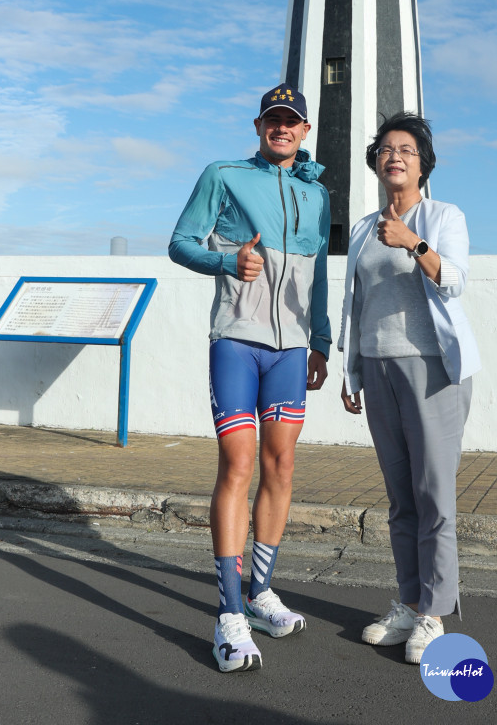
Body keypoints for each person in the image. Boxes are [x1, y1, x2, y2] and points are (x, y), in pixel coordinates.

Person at [169, 83, 330, 673]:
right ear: (259, 126)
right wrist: (225, 259)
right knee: (237, 466)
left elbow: (322, 277)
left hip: (291, 350)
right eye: (273, 120)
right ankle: (229, 612)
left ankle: (261, 593)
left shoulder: (317, 194)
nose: (282, 129)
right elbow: (180, 243)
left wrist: (322, 341)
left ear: (305, 131)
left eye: (292, 122)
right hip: (237, 342)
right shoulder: (224, 173)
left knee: (281, 466)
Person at [338, 111, 480, 664]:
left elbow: (457, 279)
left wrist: (414, 244)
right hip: (377, 368)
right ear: (375, 162)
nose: (394, 157)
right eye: (386, 150)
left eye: (406, 150)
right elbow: (358, 306)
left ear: (424, 165)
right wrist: (352, 373)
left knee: (433, 497)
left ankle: (433, 613)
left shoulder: (444, 216)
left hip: (431, 368)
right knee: (400, 500)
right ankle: (407, 600)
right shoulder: (360, 229)